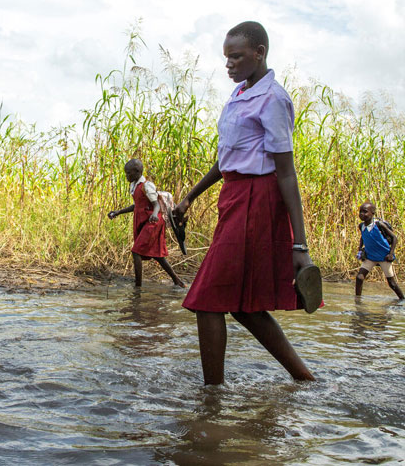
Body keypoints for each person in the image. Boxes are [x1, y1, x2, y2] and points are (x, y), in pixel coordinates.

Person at [173, 21, 320, 385]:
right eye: (226, 58)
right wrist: (191, 196)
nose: (229, 64)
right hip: (235, 199)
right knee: (243, 306)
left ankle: (212, 397)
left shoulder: (273, 98)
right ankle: (303, 378)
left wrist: (298, 244)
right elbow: (227, 159)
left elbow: (286, 173)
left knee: (206, 299)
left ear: (260, 53)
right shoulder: (240, 95)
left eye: (237, 56)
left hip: (259, 201)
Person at [108, 158, 186, 288]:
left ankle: (137, 287)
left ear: (137, 172)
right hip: (144, 222)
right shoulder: (135, 186)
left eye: (128, 173)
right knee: (156, 255)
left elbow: (156, 204)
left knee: (136, 251)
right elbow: (137, 205)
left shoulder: (146, 185)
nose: (126, 176)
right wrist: (118, 212)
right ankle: (177, 280)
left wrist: (155, 214)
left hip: (153, 222)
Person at [355, 201, 405, 300]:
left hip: (384, 257)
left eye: (365, 212)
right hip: (370, 257)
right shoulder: (361, 226)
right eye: (360, 212)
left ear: (372, 213)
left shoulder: (379, 225)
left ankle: (402, 299)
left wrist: (391, 254)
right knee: (359, 277)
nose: (362, 214)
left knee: (392, 283)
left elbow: (394, 238)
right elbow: (363, 237)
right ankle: (357, 300)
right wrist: (360, 249)